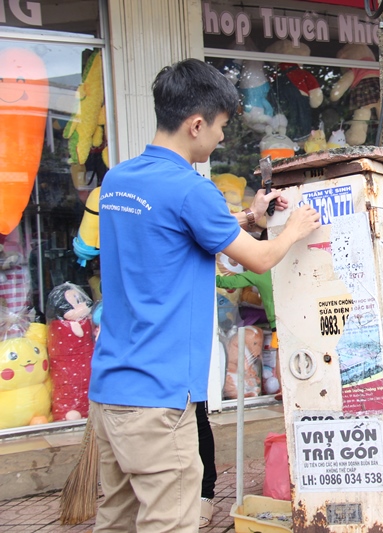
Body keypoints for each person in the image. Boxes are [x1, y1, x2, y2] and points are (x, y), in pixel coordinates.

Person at [88, 58, 321, 532]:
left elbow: (169, 231)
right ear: (196, 124)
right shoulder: (192, 190)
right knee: (169, 520)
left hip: (110, 389)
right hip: (160, 394)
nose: (219, 138)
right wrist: (293, 229)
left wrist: (248, 219)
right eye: (218, 127)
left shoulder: (118, 181)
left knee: (116, 518)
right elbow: (258, 260)